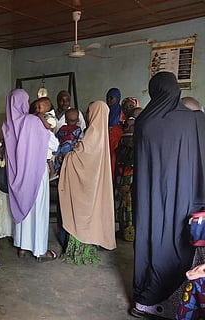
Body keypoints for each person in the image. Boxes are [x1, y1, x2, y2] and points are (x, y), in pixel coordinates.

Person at [131, 72, 205, 319]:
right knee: (179, 242)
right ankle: (173, 299)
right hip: (184, 196)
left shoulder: (144, 122)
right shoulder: (194, 120)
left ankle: (145, 298)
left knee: (152, 240)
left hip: (150, 198)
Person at [2, 88, 57, 262]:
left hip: (16, 176)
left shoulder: (7, 125)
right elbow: (53, 145)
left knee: (21, 207)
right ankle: (40, 250)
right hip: (35, 173)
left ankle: (23, 246)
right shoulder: (33, 121)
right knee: (38, 210)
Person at [58, 100, 116, 265]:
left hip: (85, 183)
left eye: (90, 111)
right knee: (92, 210)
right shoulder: (102, 133)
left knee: (80, 212)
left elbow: (80, 158)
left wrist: (68, 156)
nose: (88, 115)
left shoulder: (92, 135)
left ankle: (79, 245)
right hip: (94, 182)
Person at [109, 97, 140, 179]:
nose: (128, 109)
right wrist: (122, 141)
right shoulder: (118, 127)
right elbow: (112, 145)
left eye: (131, 106)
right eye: (125, 108)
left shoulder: (144, 127)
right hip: (121, 169)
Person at [53, 108, 82, 175]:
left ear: (65, 120)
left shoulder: (62, 129)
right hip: (71, 151)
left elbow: (56, 138)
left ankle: (55, 170)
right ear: (78, 120)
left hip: (61, 149)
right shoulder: (78, 130)